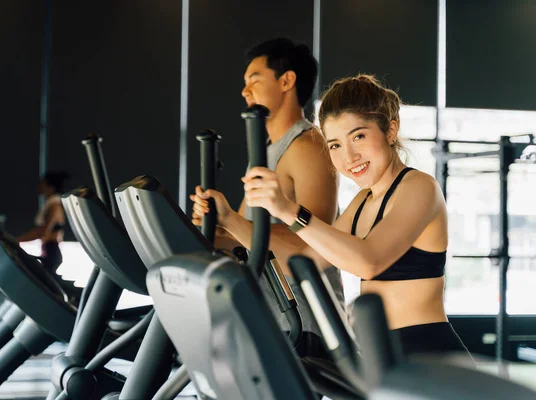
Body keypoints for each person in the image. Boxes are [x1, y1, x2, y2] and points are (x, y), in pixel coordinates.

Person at [242, 74, 472, 360]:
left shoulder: (419, 187)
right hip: (382, 354)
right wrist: (230, 221)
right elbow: (304, 260)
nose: (349, 157)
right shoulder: (363, 201)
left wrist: (289, 210)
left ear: (390, 131)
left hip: (429, 355)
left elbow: (370, 261)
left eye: (358, 136)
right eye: (335, 145)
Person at [190, 37, 342, 358]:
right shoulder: (266, 152)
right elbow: (243, 242)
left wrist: (230, 221)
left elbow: (314, 247)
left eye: (254, 80)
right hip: (270, 320)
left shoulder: (308, 146)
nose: (244, 91)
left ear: (286, 81)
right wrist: (210, 227)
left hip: (304, 325)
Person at [18, 171, 79, 301]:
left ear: (50, 186)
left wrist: (16, 240)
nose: (39, 186)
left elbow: (43, 231)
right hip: (47, 250)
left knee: (50, 290)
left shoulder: (55, 205)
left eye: (42, 184)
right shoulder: (50, 204)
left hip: (51, 251)